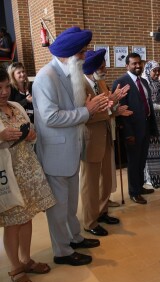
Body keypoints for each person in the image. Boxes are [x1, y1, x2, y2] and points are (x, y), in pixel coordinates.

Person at [32, 27, 110, 266]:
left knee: (70, 203)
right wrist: (87, 111)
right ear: (68, 54)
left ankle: (74, 238)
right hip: (55, 153)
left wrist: (87, 108)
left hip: (70, 150)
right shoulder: (46, 77)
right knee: (58, 207)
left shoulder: (65, 72)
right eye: (81, 53)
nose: (84, 58)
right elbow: (50, 117)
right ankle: (62, 252)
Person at [0, 67, 56, 282]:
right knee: (13, 222)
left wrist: (31, 135)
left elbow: (30, 131)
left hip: (27, 170)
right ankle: (15, 267)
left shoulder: (15, 106)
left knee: (27, 216)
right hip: (7, 175)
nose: (4, 92)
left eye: (6, 87)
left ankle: (26, 259)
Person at [81, 49, 131, 236]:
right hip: (90, 139)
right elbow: (84, 115)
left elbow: (107, 108)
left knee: (106, 179)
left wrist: (116, 110)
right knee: (90, 184)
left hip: (105, 136)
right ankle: (89, 221)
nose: (105, 69)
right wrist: (109, 103)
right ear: (91, 67)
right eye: (101, 66)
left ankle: (102, 212)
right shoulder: (79, 85)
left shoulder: (100, 83)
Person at [112, 53, 158, 205]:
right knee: (133, 162)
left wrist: (152, 128)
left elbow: (148, 105)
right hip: (132, 130)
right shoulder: (120, 82)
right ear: (127, 66)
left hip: (145, 127)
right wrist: (128, 133)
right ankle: (134, 192)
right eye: (134, 64)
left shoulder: (144, 82)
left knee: (141, 160)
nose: (138, 66)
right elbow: (121, 111)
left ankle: (139, 187)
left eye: (139, 63)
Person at [142, 60, 160, 188]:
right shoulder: (145, 84)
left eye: (158, 70)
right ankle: (151, 179)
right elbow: (146, 103)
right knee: (151, 152)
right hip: (151, 121)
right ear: (148, 71)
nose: (157, 73)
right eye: (154, 70)